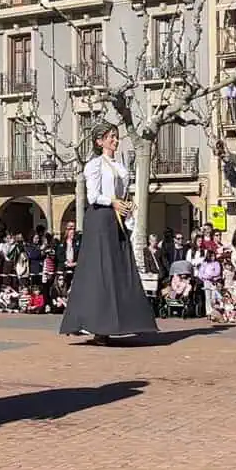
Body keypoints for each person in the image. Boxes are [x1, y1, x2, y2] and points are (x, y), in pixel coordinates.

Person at [59, 125, 159, 342]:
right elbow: (93, 196)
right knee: (101, 271)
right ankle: (98, 326)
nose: (115, 140)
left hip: (116, 220)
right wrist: (113, 201)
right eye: (111, 137)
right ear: (99, 142)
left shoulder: (120, 166)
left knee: (122, 268)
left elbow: (122, 193)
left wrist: (127, 205)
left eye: (115, 136)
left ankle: (132, 320)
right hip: (100, 219)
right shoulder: (94, 165)